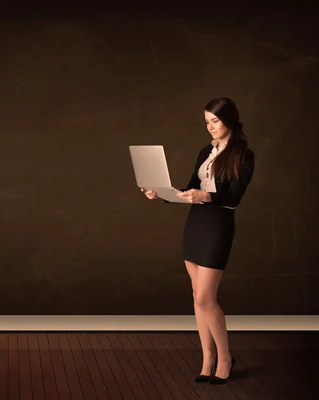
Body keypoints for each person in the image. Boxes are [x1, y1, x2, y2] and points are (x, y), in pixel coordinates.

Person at [141, 97, 255, 384]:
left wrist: (205, 196)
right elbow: (192, 186)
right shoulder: (206, 150)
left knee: (206, 297)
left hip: (218, 224)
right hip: (196, 223)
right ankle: (207, 359)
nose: (210, 127)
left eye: (215, 121)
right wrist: (163, 193)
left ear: (229, 120)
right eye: (207, 122)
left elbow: (234, 196)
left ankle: (225, 357)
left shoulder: (244, 155)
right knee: (196, 297)